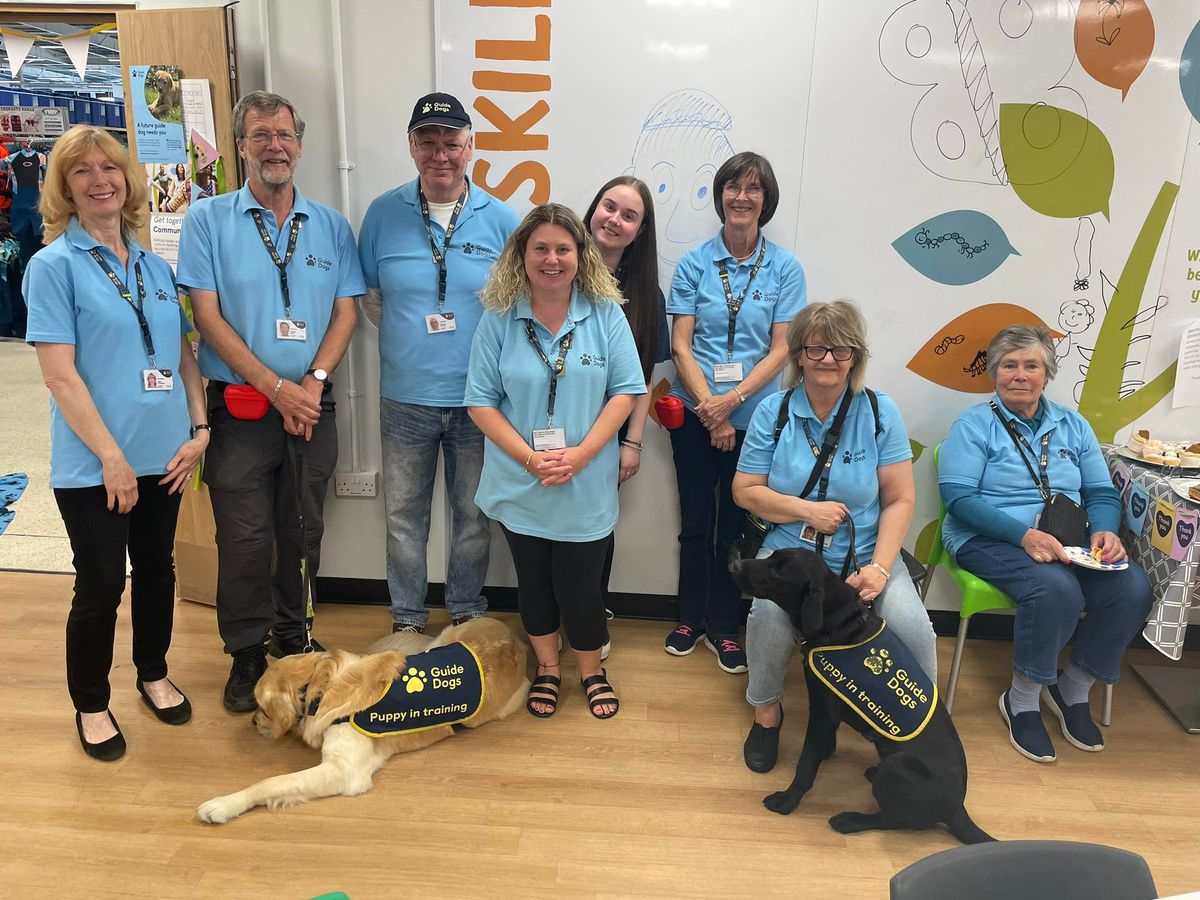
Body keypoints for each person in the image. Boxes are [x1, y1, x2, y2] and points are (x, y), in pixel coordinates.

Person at [24, 125, 209, 760]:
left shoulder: (157, 268)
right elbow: (59, 374)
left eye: (111, 168)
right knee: (102, 581)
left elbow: (185, 355)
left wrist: (200, 428)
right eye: (83, 171)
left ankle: (153, 673)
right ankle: (92, 703)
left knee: (158, 571)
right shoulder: (52, 268)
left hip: (167, 456)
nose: (100, 179)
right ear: (65, 187)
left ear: (127, 180)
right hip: (95, 465)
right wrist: (111, 456)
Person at [176, 91, 365, 712]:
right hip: (241, 409)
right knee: (247, 537)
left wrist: (309, 382)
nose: (274, 146)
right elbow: (208, 315)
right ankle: (244, 652)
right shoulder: (207, 220)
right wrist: (274, 386)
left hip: (312, 406)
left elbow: (345, 312)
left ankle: (294, 636)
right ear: (241, 146)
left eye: (284, 134)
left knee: (303, 529)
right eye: (260, 135)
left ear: (300, 144)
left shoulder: (331, 226)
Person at [732, 300, 938, 773]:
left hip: (866, 551)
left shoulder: (880, 411)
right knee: (767, 616)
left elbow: (901, 498)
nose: (828, 359)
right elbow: (745, 491)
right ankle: (766, 713)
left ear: (856, 357)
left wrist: (881, 568)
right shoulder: (773, 411)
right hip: (791, 552)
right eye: (817, 348)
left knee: (912, 627)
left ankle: (920, 724)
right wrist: (806, 511)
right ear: (799, 355)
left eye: (841, 350)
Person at [938, 325, 1153, 763]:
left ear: (1046, 372)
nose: (1020, 375)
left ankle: (1071, 687)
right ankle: (1021, 699)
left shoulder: (1073, 425)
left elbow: (1100, 492)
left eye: (1031, 365)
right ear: (994, 373)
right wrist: (1023, 535)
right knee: (1056, 588)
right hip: (986, 538)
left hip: (1067, 542)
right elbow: (959, 500)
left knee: (1132, 587)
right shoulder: (974, 424)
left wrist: (1107, 530)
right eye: (1009, 365)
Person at [465, 203, 646, 719]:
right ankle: (547, 668)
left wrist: (584, 454)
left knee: (582, 587)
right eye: (540, 248)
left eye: (562, 249)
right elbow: (479, 400)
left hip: (584, 481)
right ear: (521, 257)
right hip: (521, 480)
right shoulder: (499, 317)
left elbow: (627, 390)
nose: (552, 259)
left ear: (579, 255)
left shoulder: (604, 312)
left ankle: (592, 671)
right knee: (535, 584)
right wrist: (529, 459)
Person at [359, 92, 518, 635]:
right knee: (404, 518)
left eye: (452, 141)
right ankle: (406, 619)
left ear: (471, 146)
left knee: (473, 518)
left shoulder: (502, 220)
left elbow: (512, 306)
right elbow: (374, 300)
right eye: (428, 142)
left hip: (479, 402)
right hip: (405, 398)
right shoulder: (382, 213)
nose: (440, 153)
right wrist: (418, 347)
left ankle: (467, 611)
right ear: (411, 147)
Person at [664, 151, 807, 673]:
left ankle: (726, 626)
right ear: (720, 195)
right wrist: (712, 410)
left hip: (757, 422)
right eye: (732, 187)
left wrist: (734, 402)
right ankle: (689, 618)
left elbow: (781, 349)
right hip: (695, 415)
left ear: (765, 201)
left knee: (739, 529)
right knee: (695, 521)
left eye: (752, 189)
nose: (741, 197)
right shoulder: (694, 264)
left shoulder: (785, 268)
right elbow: (681, 345)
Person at [583, 175, 671, 655]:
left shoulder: (645, 294)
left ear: (640, 231)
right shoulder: (554, 269)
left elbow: (641, 374)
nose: (614, 220)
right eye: (608, 206)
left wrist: (632, 442)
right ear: (593, 208)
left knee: (596, 525)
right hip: (546, 427)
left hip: (608, 432)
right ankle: (548, 615)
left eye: (628, 215)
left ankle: (591, 611)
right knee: (544, 523)